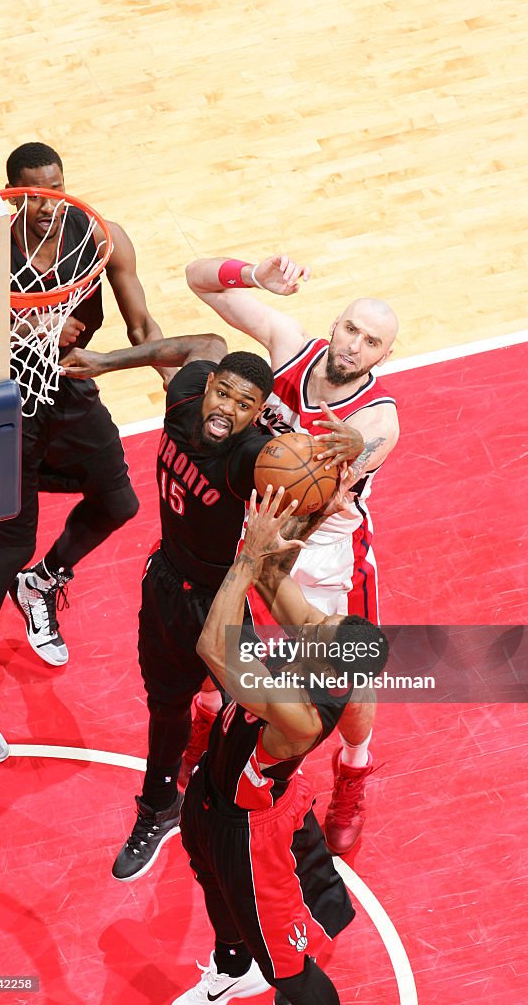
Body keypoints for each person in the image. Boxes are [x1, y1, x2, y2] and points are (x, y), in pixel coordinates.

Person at [59, 336, 362, 883]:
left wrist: (349, 454)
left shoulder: (253, 457)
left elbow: (281, 540)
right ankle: (157, 809)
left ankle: (270, 808)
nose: (227, 408)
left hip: (220, 598)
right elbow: (203, 342)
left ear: (256, 414)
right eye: (222, 393)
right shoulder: (183, 392)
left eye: (244, 405)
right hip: (166, 583)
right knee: (165, 708)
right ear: (208, 387)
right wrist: (106, 361)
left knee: (252, 716)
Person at [0, 141, 173, 764]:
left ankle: (42, 584)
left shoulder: (100, 237)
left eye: (57, 187)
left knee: (119, 501)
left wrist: (168, 380)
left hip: (69, 388)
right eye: (36, 192)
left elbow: (140, 325)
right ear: (12, 191)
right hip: (8, 401)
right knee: (12, 538)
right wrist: (36, 329)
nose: (49, 203)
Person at [184, 253, 400, 853]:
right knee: (219, 639)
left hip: (325, 553)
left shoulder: (379, 418)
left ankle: (353, 770)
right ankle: (205, 726)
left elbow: (354, 464)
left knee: (349, 683)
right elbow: (195, 280)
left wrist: (355, 450)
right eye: (351, 329)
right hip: (258, 523)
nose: (355, 346)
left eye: (372, 341)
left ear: (385, 356)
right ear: (334, 324)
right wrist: (256, 275)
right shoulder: (289, 347)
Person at [174, 484, 389, 1005]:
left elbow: (214, 647)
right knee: (211, 881)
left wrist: (247, 558)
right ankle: (230, 969)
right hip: (213, 791)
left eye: (320, 628)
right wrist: (298, 513)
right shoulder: (326, 653)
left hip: (251, 830)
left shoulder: (300, 717)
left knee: (289, 971)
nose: (311, 622)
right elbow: (271, 576)